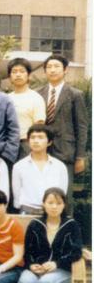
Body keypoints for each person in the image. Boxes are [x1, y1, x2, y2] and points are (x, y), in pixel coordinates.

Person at [38, 54, 88, 202]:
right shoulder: (38, 93)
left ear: (65, 70)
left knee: (64, 195)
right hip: (42, 151)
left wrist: (80, 157)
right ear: (45, 71)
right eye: (49, 67)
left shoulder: (75, 95)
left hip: (66, 152)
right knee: (42, 192)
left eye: (56, 66)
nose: (52, 70)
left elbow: (81, 127)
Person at [12, 125, 68, 215]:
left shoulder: (60, 166)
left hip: (52, 211)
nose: (36, 141)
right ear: (28, 141)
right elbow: (17, 194)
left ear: (49, 142)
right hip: (26, 210)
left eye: (40, 137)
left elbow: (62, 192)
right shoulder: (19, 166)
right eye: (32, 137)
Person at [7, 58, 46, 160]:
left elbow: (39, 125)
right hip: (8, 145)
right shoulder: (6, 98)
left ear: (28, 75)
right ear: (10, 77)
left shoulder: (36, 98)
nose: (18, 75)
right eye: (14, 72)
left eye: (22, 71)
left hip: (26, 144)